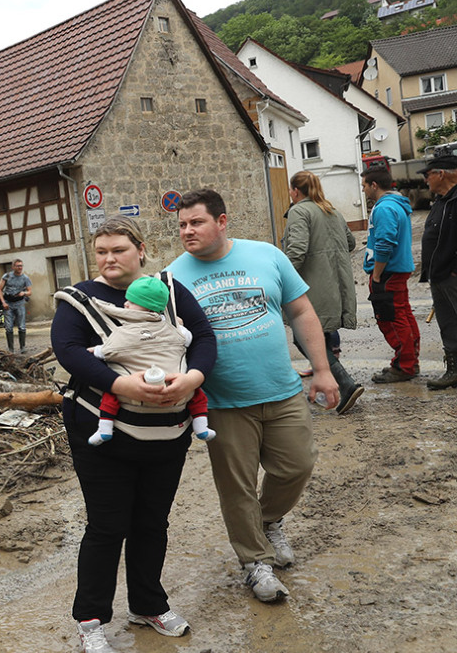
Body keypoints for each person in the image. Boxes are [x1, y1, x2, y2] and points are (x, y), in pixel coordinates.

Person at [51, 217, 217, 652]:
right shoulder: (79, 300)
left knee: (152, 522)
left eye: (118, 250)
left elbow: (203, 336)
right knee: (107, 526)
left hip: (168, 431)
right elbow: (68, 351)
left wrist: (193, 378)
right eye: (101, 251)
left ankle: (148, 605)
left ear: (140, 250)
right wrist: (120, 385)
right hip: (100, 431)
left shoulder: (168, 291)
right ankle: (90, 620)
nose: (109, 259)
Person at [166, 188, 338, 604]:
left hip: (281, 390)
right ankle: (255, 562)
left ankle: (269, 519)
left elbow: (301, 311)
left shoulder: (267, 256)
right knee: (236, 488)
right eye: (182, 225)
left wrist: (322, 369)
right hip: (221, 402)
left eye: (196, 222)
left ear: (222, 222)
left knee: (297, 465)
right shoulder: (171, 278)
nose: (187, 231)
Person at [63, 275, 215, 445]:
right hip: (171, 379)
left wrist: (95, 351)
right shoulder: (173, 327)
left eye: (132, 302)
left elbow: (111, 350)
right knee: (196, 394)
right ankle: (201, 427)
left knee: (110, 395)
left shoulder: (125, 331)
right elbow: (188, 339)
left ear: (149, 306)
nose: (125, 304)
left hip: (136, 384)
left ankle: (104, 428)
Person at [283, 171, 364, 414]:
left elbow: (297, 250)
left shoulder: (299, 211)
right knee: (323, 336)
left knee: (303, 336)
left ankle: (345, 384)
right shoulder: (332, 210)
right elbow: (351, 243)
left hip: (312, 286)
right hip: (335, 284)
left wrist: (280, 278)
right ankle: (331, 391)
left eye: (290, 190)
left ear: (295, 191)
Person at [361, 167, 419, 383]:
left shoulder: (384, 208)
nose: (363, 190)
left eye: (364, 185)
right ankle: (409, 361)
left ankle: (404, 366)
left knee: (391, 318)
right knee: (403, 315)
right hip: (397, 270)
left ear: (374, 185)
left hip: (388, 272)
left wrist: (376, 274)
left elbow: (385, 243)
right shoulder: (396, 205)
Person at [419, 153, 457, 389]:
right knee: (448, 325)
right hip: (439, 276)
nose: (426, 180)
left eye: (428, 175)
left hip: (452, 275)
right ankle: (454, 371)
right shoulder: (442, 201)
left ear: (441, 174)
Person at [0, 259, 32, 353]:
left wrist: (24, 293)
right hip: (8, 303)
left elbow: (30, 292)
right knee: (9, 327)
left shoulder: (25, 278)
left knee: (22, 326)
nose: (20, 268)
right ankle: (11, 349)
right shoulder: (7, 276)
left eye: (21, 266)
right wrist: (3, 302)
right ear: (13, 267)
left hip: (20, 303)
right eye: (18, 266)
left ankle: (22, 347)